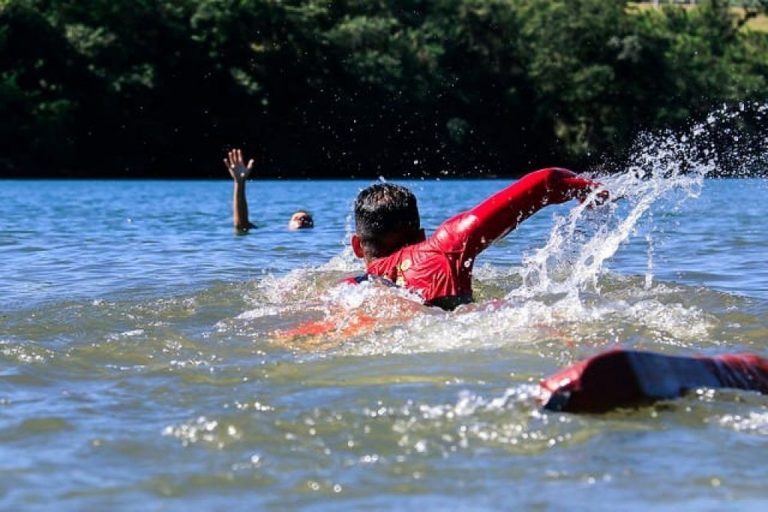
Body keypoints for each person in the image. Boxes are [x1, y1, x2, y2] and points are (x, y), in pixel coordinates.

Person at [349, 168, 608, 310]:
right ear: (420, 235)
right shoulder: (446, 245)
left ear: (357, 247)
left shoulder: (352, 288)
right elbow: (546, 180)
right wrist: (591, 190)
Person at [224, 148, 314, 232]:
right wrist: (239, 183)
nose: (301, 221)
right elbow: (241, 226)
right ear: (288, 225)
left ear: (312, 226)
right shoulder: (276, 233)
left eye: (306, 220)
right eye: (297, 219)